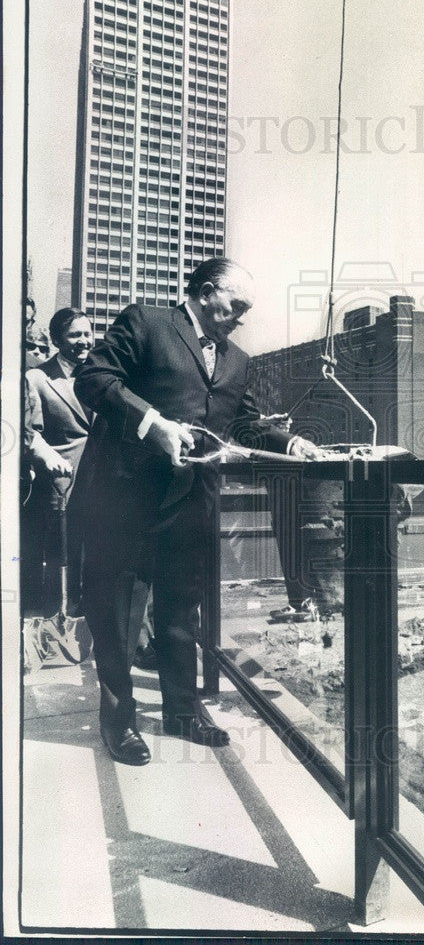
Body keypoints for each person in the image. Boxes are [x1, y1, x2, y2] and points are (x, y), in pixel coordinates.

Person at [75, 258, 321, 766]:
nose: (241, 319)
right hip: (127, 497)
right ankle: (119, 722)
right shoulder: (146, 323)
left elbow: (244, 423)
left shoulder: (237, 359)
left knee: (180, 610)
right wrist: (152, 423)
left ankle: (182, 711)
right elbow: (93, 378)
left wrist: (293, 444)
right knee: (119, 611)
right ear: (207, 293)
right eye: (237, 307)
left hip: (191, 503)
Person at [23, 308, 94, 614]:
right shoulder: (37, 378)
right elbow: (30, 433)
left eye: (87, 334)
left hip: (101, 482)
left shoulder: (99, 374)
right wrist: (47, 455)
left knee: (95, 556)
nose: (84, 341)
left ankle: (89, 628)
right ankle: (57, 626)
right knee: (60, 560)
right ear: (56, 339)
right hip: (61, 485)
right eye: (74, 335)